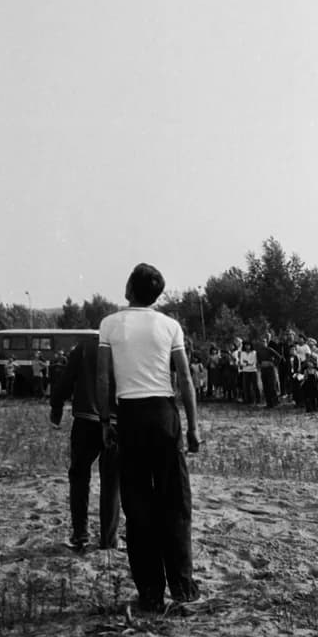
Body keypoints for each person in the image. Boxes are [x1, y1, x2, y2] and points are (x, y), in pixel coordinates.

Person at [97, 263, 201, 616]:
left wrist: (105, 420)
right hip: (164, 413)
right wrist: (193, 426)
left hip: (130, 415)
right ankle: (183, 585)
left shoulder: (110, 324)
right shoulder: (170, 325)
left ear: (130, 288)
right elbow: (184, 378)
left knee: (138, 504)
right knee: (176, 500)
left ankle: (151, 593)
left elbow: (103, 378)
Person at [50, 335, 121, 552]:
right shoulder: (123, 345)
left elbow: (67, 378)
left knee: (79, 476)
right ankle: (108, 539)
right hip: (116, 420)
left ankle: (80, 534)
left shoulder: (84, 347)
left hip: (85, 418)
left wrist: (56, 406)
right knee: (112, 480)